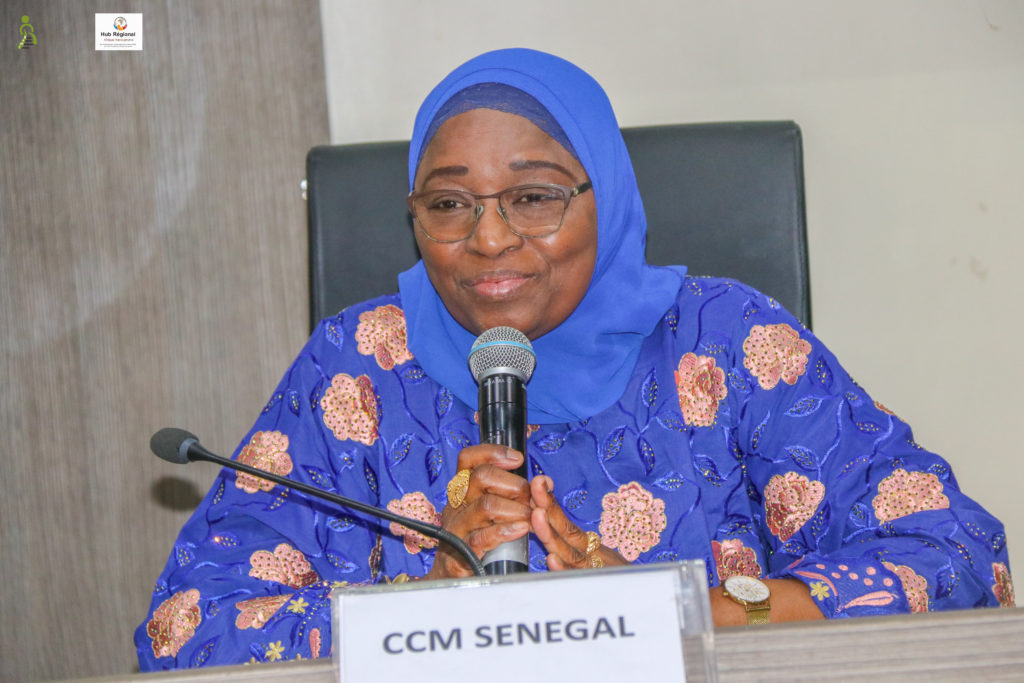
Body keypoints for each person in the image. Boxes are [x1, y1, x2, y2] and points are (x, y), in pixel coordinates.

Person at [135, 48, 1014, 670]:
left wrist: (682, 611)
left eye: (533, 196)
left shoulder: (728, 341)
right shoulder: (355, 368)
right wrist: (420, 609)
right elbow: (184, 629)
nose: (488, 238)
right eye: (449, 203)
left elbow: (958, 557)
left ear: (607, 195)